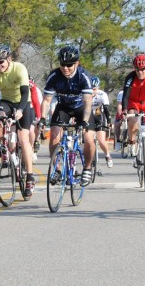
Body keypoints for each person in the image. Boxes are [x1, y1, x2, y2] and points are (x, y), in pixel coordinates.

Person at [0, 44, 36, 197]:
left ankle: (29, 176)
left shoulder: (19, 68)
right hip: (7, 101)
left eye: (1, 62)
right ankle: (3, 146)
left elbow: (25, 93)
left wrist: (21, 110)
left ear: (9, 59)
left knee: (23, 139)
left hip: (23, 102)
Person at [39, 45, 95, 185]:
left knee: (88, 138)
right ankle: (57, 169)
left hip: (81, 108)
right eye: (63, 65)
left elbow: (88, 101)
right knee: (54, 137)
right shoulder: (54, 76)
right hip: (63, 107)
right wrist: (42, 118)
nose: (66, 68)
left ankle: (87, 168)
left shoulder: (83, 76)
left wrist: (85, 121)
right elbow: (46, 100)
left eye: (69, 65)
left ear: (77, 63)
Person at [90, 76, 113, 167]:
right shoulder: (85, 94)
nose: (92, 91)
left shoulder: (102, 94)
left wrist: (109, 121)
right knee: (87, 138)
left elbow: (106, 109)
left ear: (98, 88)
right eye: (90, 89)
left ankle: (107, 155)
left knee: (101, 139)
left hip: (98, 114)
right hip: (88, 115)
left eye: (94, 89)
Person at [28, 76, 43, 163]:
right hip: (23, 109)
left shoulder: (37, 91)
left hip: (33, 109)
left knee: (35, 127)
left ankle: (34, 144)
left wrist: (39, 118)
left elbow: (38, 105)